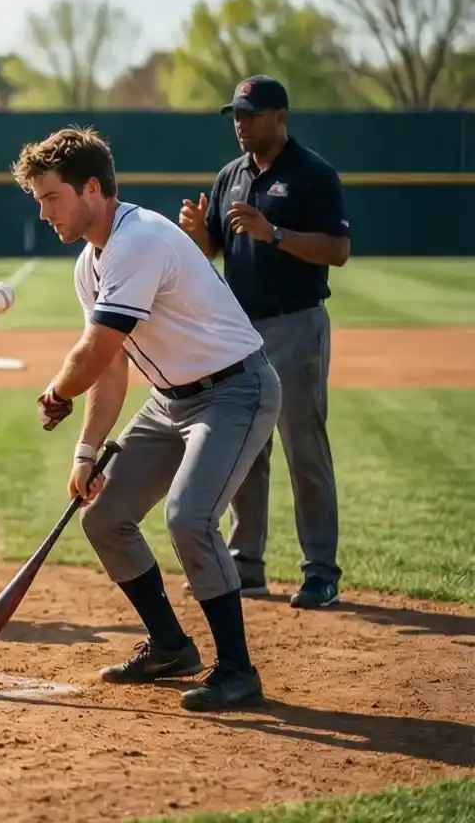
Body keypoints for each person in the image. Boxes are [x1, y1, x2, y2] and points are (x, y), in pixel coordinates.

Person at [18, 126, 280, 712]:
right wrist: (87, 451)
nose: (44, 213)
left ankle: (238, 670)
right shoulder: (91, 262)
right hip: (171, 401)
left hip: (236, 389)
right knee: (105, 518)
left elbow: (91, 355)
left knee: (189, 517)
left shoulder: (139, 239)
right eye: (38, 201)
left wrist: (57, 392)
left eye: (51, 198)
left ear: (91, 188)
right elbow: (111, 367)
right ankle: (169, 645)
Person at [179, 75, 348, 609]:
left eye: (250, 114)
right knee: (244, 447)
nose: (240, 122)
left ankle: (320, 571)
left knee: (305, 449)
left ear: (280, 116)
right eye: (236, 113)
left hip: (294, 323)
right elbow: (214, 246)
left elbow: (338, 249)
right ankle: (246, 565)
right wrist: (195, 236)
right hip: (240, 330)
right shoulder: (231, 175)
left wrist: (273, 232)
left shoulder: (313, 174)